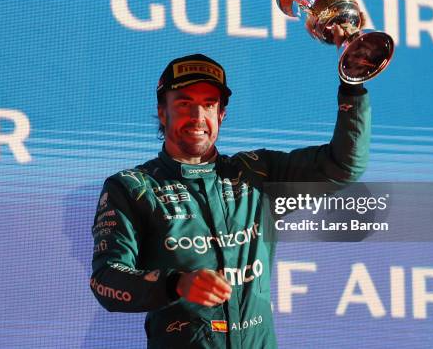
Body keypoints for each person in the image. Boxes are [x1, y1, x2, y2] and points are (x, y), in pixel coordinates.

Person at [90, 52, 370, 348]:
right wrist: (176, 283)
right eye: (184, 103)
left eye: (208, 104)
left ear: (221, 114)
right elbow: (106, 280)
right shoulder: (132, 187)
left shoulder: (257, 172)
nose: (198, 117)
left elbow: (344, 165)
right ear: (162, 112)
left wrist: (352, 85)